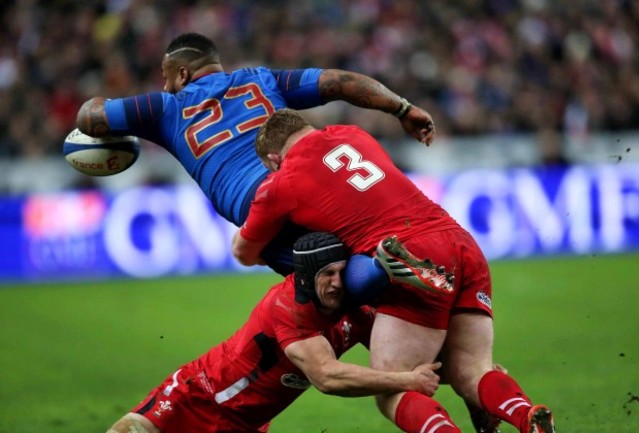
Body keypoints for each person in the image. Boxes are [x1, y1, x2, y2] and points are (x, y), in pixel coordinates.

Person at [232, 109, 556, 433]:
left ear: (275, 159)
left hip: (408, 255)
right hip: (461, 242)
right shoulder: (352, 134)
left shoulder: (281, 181)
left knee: (395, 387)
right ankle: (526, 416)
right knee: (471, 370)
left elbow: (243, 252)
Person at [74, 31, 437, 301]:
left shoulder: (162, 107)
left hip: (260, 201)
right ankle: (386, 267)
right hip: (309, 180)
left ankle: (380, 270)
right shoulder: (261, 78)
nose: (165, 84)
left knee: (330, 285)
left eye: (167, 77)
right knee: (349, 255)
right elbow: (339, 82)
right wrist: (402, 108)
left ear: (182, 75)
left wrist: (100, 97)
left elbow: (89, 118)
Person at [107, 231, 442, 433]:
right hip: (198, 397)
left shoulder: (357, 310)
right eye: (327, 274)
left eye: (342, 271)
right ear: (307, 277)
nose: (338, 282)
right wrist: (407, 381)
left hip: (246, 425)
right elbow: (328, 377)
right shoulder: (287, 310)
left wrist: (474, 375)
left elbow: (414, 355)